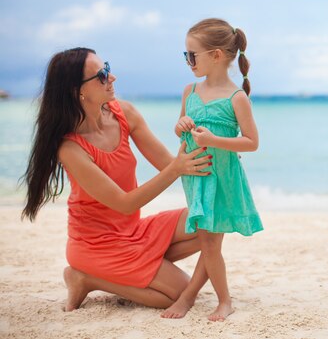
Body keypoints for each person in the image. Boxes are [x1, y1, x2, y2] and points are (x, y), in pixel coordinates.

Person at [21, 47, 211, 312]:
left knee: (210, 220)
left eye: (107, 68)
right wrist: (176, 169)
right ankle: (86, 277)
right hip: (97, 245)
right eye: (101, 75)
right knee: (178, 294)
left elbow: (169, 163)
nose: (112, 78)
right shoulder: (70, 148)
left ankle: (136, 267)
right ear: (78, 91)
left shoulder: (124, 113)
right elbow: (124, 203)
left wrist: (215, 160)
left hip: (134, 232)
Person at [161, 18, 263, 322]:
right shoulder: (189, 91)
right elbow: (181, 130)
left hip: (222, 178)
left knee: (210, 242)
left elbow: (251, 142)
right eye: (186, 55)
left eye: (192, 55)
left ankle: (220, 300)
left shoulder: (236, 97)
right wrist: (181, 127)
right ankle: (199, 296)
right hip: (196, 175)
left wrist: (214, 139)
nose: (188, 61)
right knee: (209, 242)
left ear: (217, 55)